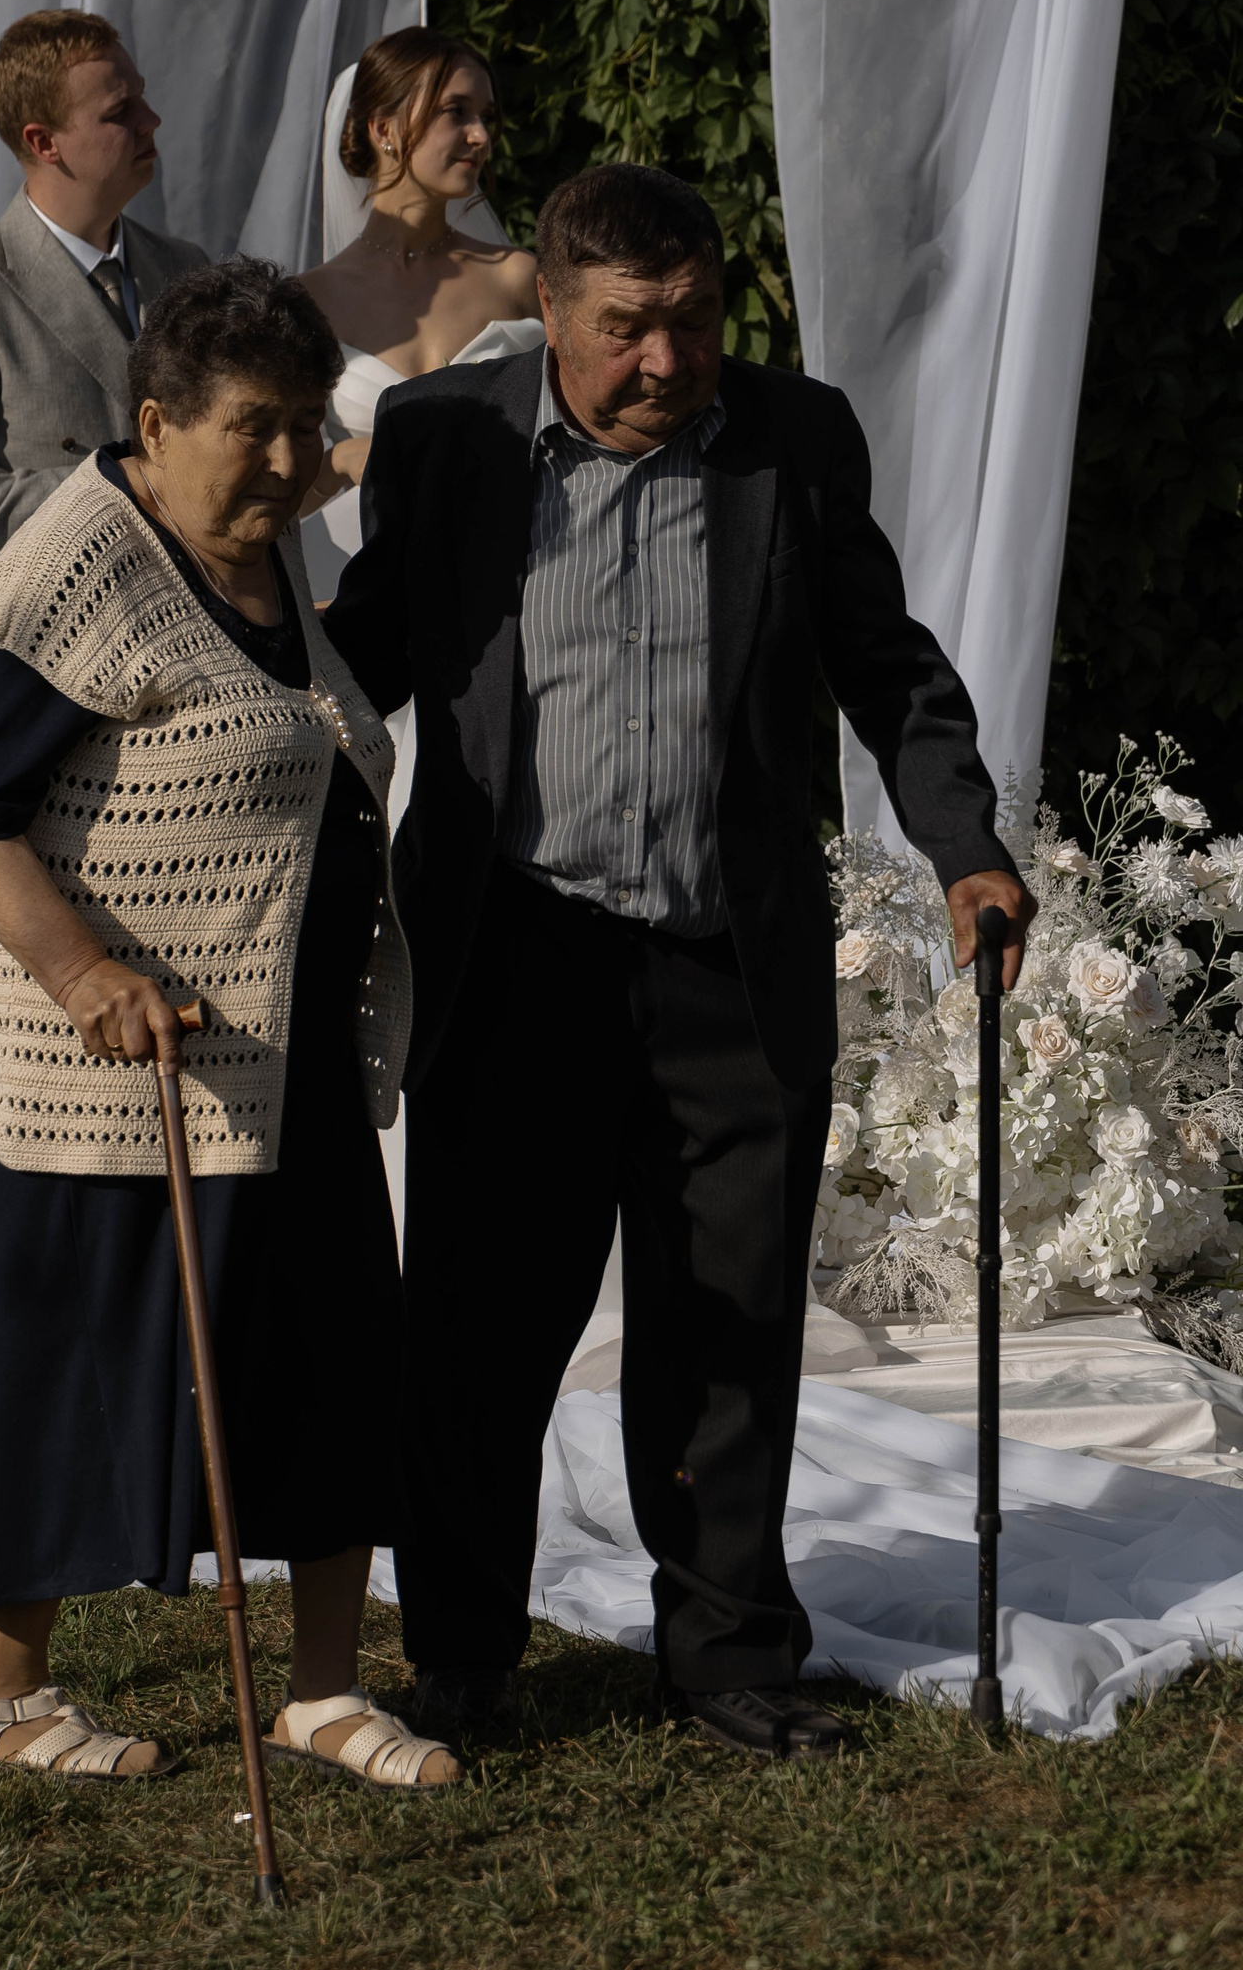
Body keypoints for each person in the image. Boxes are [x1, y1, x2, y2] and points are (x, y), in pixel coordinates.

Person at [322, 162, 1037, 1758]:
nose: (667, 359)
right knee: (479, 1331)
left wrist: (966, 846)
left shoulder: (795, 437)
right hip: (518, 960)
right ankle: (460, 1654)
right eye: (628, 328)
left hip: (728, 960)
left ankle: (725, 1658)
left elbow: (885, 664)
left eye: (696, 320)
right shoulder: (446, 439)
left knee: (728, 1329)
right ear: (550, 311)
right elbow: (362, 653)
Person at [0, 258, 461, 1793]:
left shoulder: (260, 555)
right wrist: (82, 971)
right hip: (114, 1081)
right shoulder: (77, 566)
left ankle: (325, 1692)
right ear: (156, 422)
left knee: (335, 1357)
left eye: (306, 426)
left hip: (283, 1058)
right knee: (78, 1381)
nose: (289, 462)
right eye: (253, 429)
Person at [0, 8, 210, 756]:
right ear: (43, 142)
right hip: (25, 696)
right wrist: (115, 488)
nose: (152, 120)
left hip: (184, 683)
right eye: (120, 111)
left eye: (142, 97)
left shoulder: (187, 271)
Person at [295, 28, 543, 564]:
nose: (481, 136)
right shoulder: (308, 301)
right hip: (358, 573)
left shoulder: (517, 278)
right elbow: (274, 487)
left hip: (515, 567)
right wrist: (341, 460)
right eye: (456, 111)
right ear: (384, 128)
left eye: (486, 116)